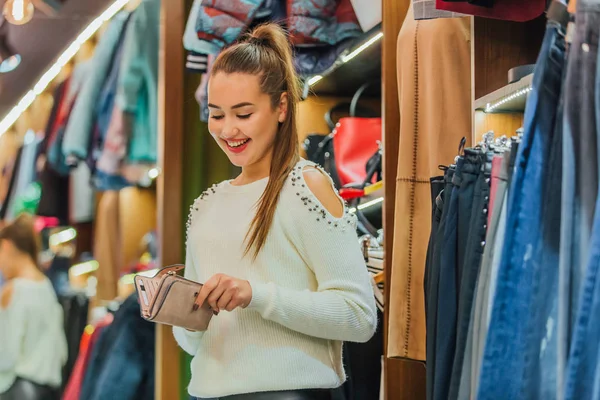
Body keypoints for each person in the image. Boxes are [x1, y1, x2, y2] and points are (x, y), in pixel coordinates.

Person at [172, 22, 378, 400]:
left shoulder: (305, 186)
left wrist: (256, 295)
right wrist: (180, 310)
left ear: (281, 106)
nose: (227, 129)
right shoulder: (205, 206)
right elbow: (192, 342)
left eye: (243, 113)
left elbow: (358, 316)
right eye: (217, 115)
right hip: (207, 391)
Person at [0, 214, 67, 400]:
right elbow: (62, 352)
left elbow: (6, 355)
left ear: (6, 246)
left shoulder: (13, 290)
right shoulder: (46, 287)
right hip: (49, 391)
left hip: (16, 391)